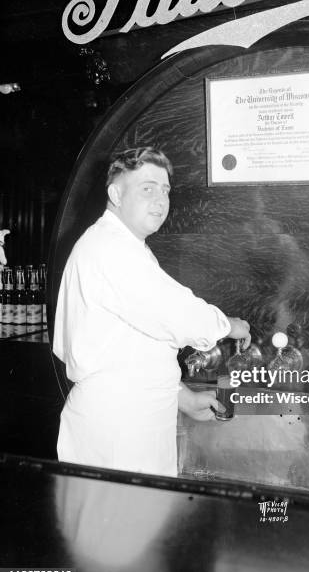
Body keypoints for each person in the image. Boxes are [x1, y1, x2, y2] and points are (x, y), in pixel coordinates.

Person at [53, 147, 250, 476]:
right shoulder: (109, 248)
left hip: (131, 421)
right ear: (116, 194)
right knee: (119, 524)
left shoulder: (127, 248)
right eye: (147, 188)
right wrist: (228, 325)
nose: (160, 200)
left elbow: (140, 343)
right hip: (118, 427)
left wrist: (181, 396)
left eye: (165, 190)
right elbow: (175, 314)